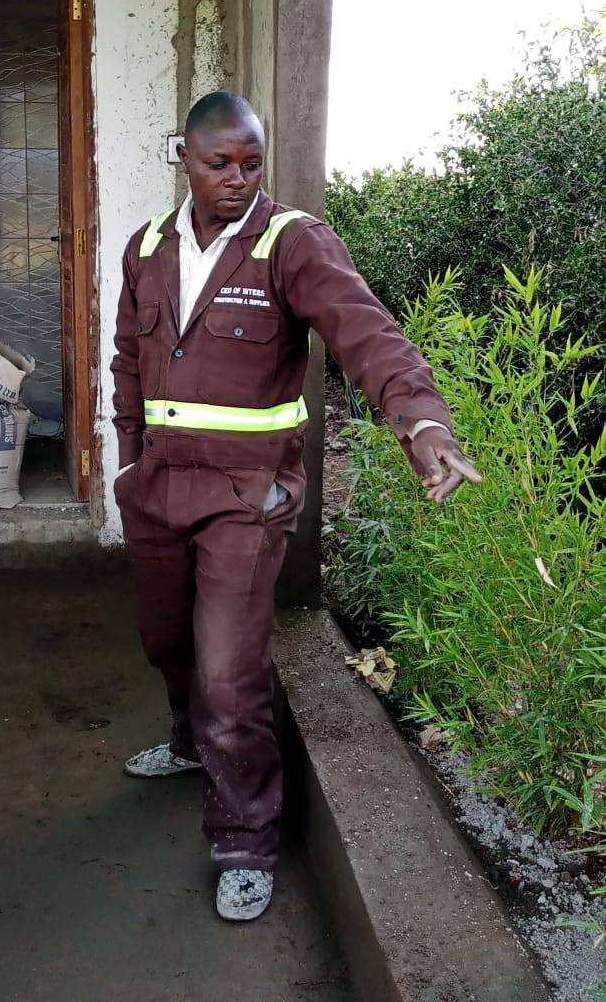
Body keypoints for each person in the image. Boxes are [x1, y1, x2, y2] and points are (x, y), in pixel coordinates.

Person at [110, 91, 482, 922]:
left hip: (248, 494)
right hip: (160, 486)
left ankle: (245, 838)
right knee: (166, 639)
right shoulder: (147, 247)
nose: (238, 179)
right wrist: (128, 460)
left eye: (252, 163)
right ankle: (188, 743)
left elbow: (367, 333)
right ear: (184, 158)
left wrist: (421, 421)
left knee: (229, 670)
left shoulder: (293, 242)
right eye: (220, 163)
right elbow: (127, 360)